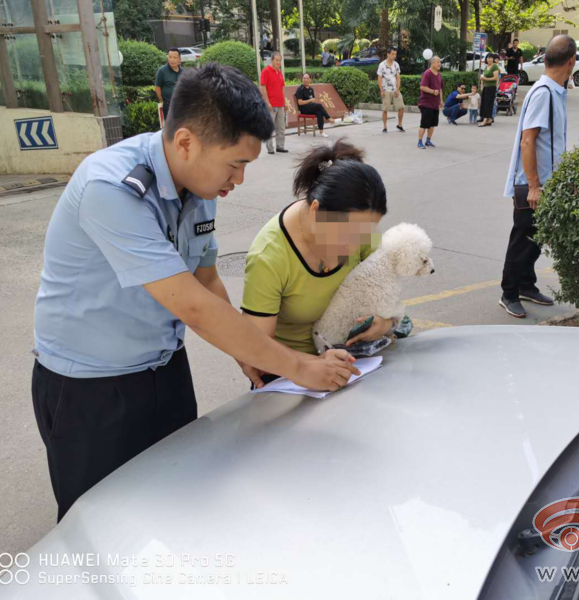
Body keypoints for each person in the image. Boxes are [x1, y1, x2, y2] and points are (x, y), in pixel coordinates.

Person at [31, 64, 359, 521]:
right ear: (186, 142)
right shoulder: (110, 188)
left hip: (164, 369)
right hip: (90, 388)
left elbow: (206, 279)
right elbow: (190, 303)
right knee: (99, 524)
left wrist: (252, 355)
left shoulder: (200, 185)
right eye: (236, 164)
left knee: (176, 507)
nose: (239, 180)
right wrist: (299, 366)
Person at [240, 140, 395, 388]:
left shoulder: (359, 234)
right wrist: (308, 365)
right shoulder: (270, 255)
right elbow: (256, 348)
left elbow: (393, 300)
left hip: (354, 364)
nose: (355, 247)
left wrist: (385, 323)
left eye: (364, 235)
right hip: (288, 374)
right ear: (316, 211)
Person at [499, 35, 577, 318]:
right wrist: (534, 186)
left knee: (536, 239)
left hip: (546, 183)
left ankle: (525, 285)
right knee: (523, 239)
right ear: (571, 61)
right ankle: (509, 293)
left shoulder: (555, 90)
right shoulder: (544, 92)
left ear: (545, 59)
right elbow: (528, 141)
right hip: (533, 185)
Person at [259, 51, 288, 154]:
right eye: (277, 60)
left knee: (281, 127)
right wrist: (267, 102)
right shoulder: (266, 71)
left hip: (280, 104)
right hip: (271, 105)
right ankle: (270, 149)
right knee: (270, 127)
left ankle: (280, 146)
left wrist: (285, 102)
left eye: (280, 60)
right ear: (271, 60)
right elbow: (263, 87)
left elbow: (282, 88)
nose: (278, 62)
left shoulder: (279, 72)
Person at [296, 73, 335, 137]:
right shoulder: (300, 89)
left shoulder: (311, 89)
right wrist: (310, 100)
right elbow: (300, 102)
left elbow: (313, 100)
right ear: (302, 79)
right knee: (319, 105)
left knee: (319, 112)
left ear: (310, 80)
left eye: (307, 78)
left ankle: (321, 131)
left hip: (310, 107)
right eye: (304, 78)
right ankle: (329, 118)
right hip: (304, 109)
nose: (305, 80)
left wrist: (312, 102)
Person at [377, 47, 406, 133]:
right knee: (385, 109)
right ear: (388, 54)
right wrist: (381, 90)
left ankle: (399, 125)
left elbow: (398, 77)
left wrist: (398, 89)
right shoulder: (382, 65)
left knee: (401, 107)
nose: (394, 56)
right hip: (386, 90)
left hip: (395, 90)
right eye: (392, 54)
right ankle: (385, 127)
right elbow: (379, 79)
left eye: (395, 54)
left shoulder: (396, 65)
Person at [417, 56, 443, 149]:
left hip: (435, 104)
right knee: (424, 124)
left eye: (440, 62)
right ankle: (420, 142)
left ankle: (428, 140)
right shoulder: (427, 73)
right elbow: (422, 87)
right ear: (432, 63)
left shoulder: (439, 75)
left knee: (432, 124)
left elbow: (440, 89)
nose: (439, 64)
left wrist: (441, 100)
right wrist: (433, 91)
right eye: (437, 62)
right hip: (426, 103)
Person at [154, 47, 182, 124]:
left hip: (181, 104)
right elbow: (157, 87)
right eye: (170, 57)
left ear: (180, 59)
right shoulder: (162, 71)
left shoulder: (183, 72)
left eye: (174, 57)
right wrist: (163, 100)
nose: (172, 60)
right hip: (168, 104)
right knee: (172, 127)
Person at [478, 53, 500, 127]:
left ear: (493, 59)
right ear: (486, 59)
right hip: (485, 87)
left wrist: (485, 79)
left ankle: (485, 120)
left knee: (488, 104)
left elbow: (495, 78)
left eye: (491, 58)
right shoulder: (486, 66)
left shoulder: (495, 66)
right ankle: (488, 119)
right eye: (488, 58)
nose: (489, 59)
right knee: (484, 103)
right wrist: (482, 85)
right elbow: (483, 76)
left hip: (491, 87)